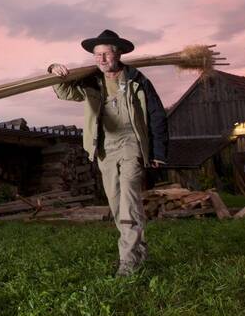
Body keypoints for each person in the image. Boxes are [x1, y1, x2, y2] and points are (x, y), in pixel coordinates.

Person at [48, 29, 168, 277]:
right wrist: (54, 71)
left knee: (128, 200)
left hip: (132, 144)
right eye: (97, 55)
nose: (101, 59)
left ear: (118, 53)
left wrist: (158, 151)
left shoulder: (137, 80)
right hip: (105, 148)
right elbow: (65, 92)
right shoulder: (91, 81)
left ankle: (128, 261)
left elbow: (157, 115)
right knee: (116, 203)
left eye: (106, 53)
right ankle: (138, 250)